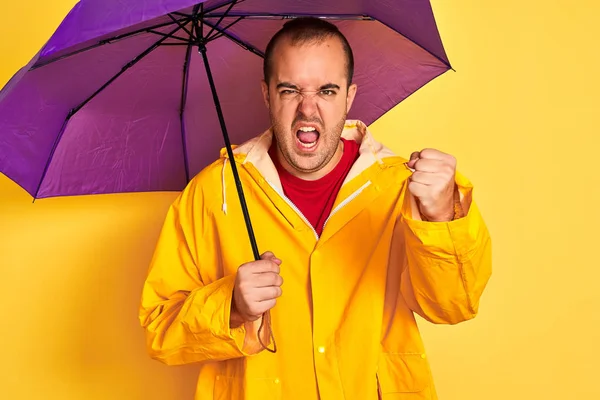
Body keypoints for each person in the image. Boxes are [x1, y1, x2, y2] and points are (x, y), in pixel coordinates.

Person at [139, 17, 492, 400]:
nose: (308, 110)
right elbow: (160, 330)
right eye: (290, 90)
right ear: (267, 94)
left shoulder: (402, 188)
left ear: (349, 96)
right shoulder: (213, 193)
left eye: (326, 90)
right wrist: (231, 307)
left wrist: (440, 219)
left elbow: (453, 307)